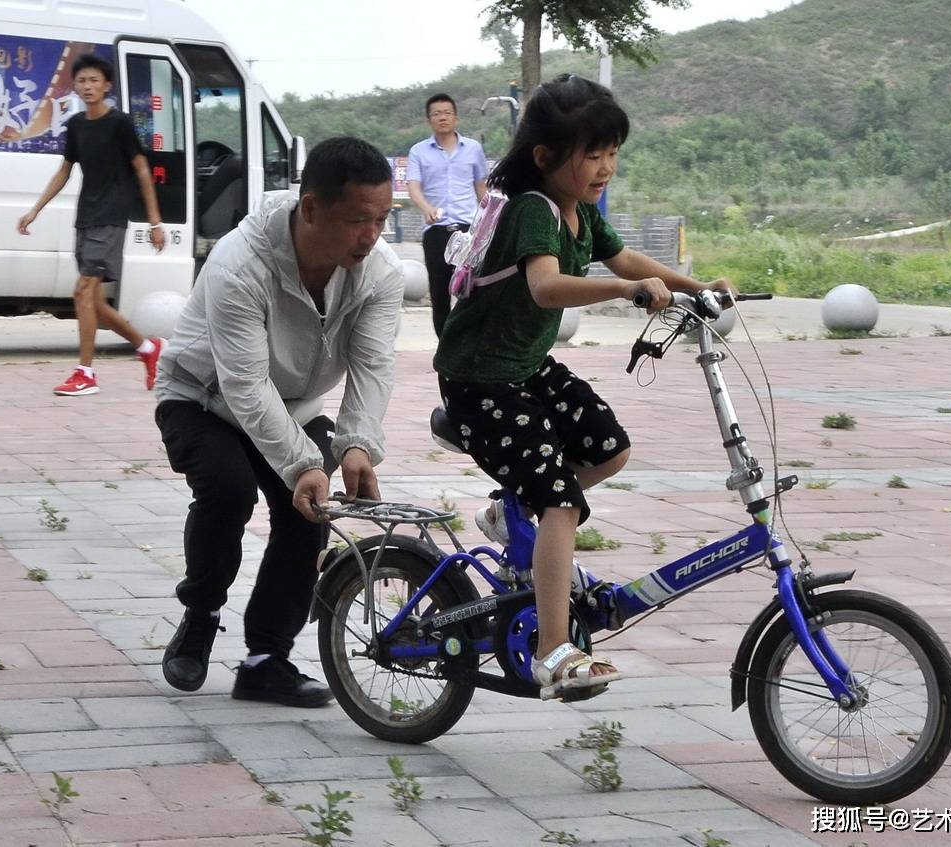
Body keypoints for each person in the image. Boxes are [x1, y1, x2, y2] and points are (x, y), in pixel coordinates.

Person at [433, 75, 735, 702]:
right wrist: (627, 294)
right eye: (592, 155)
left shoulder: (581, 213)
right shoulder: (533, 213)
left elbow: (627, 261)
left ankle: (513, 509)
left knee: (610, 449)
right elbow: (546, 287)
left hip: (522, 368)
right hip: (479, 379)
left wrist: (693, 285)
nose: (605, 167)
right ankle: (552, 650)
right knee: (561, 500)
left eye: (612, 153)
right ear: (546, 157)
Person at [153, 136, 402, 706]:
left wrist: (358, 443)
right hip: (201, 396)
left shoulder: (379, 272)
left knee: (307, 514)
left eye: (383, 219)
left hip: (295, 406)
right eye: (358, 220)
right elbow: (242, 383)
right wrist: (302, 462)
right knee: (229, 489)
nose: (372, 235)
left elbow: (372, 363)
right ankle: (201, 612)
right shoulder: (239, 263)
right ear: (310, 209)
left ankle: (266, 660)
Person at [17, 52, 166, 397]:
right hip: (86, 218)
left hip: (111, 218)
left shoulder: (121, 124)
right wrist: (35, 210)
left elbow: (142, 169)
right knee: (92, 301)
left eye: (94, 80)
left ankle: (86, 373)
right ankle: (148, 349)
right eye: (81, 81)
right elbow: (64, 170)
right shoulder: (77, 125)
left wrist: (155, 221)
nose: (87, 86)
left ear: (107, 85)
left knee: (83, 291)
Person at [407, 93, 489, 337]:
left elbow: (481, 187)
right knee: (439, 292)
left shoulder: (473, 149)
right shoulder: (418, 151)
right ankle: (445, 347)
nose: (442, 117)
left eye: (447, 113)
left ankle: (470, 342)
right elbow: (413, 186)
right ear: (429, 120)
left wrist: (487, 222)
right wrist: (426, 209)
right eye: (436, 114)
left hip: (469, 230)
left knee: (473, 288)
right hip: (436, 230)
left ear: (456, 118)